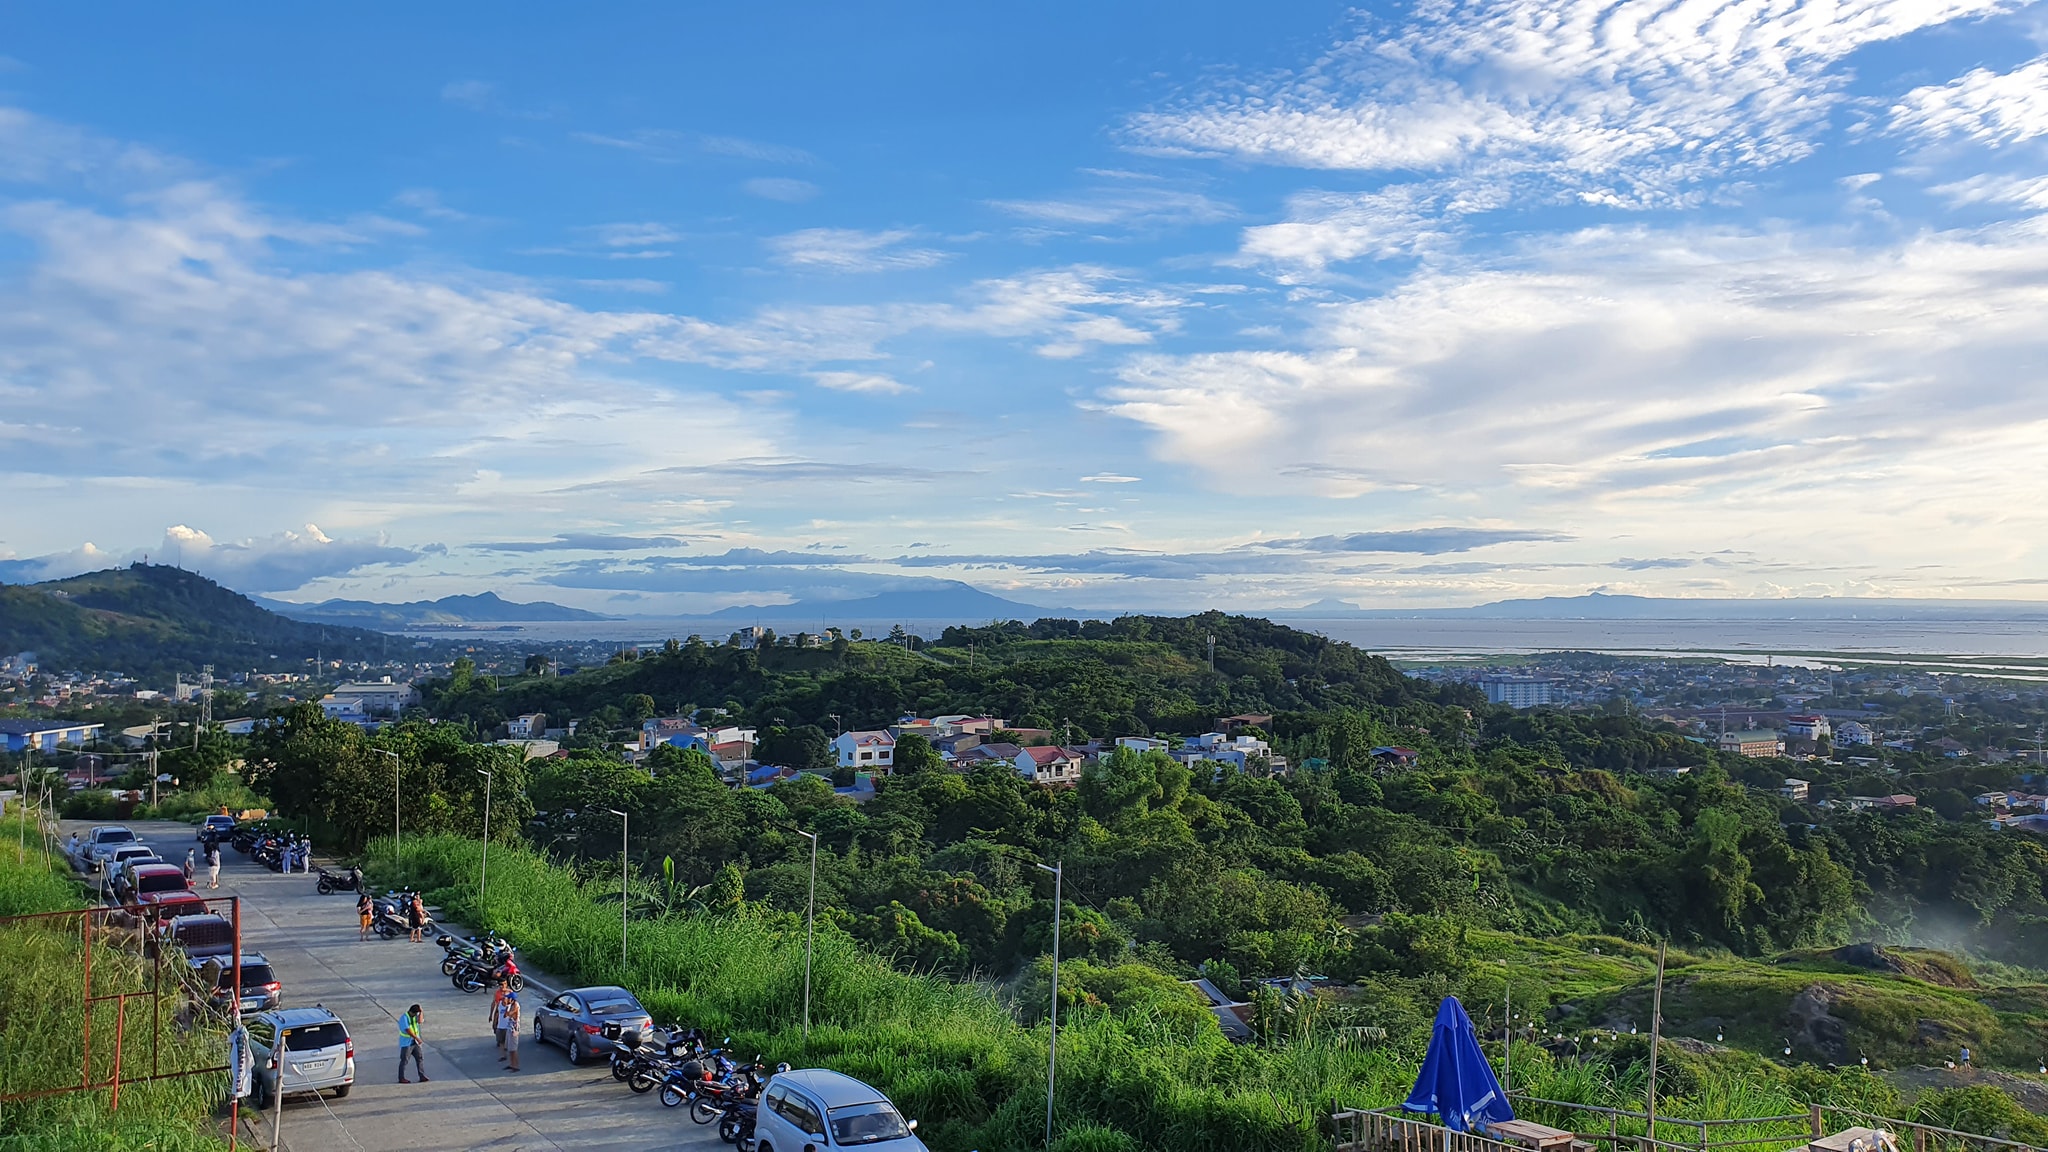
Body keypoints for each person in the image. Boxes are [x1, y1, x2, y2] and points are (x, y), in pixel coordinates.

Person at [398, 1004, 428, 1083]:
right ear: (411, 1012)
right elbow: (408, 1030)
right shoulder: (404, 1018)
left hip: (415, 1043)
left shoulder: (415, 1016)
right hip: (407, 1043)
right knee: (404, 1060)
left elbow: (420, 1021)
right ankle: (401, 1078)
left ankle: (422, 1076)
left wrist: (421, 1012)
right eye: (415, 1014)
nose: (416, 1015)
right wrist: (417, 1038)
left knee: (420, 1058)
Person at [500, 990, 521, 1072]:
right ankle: (511, 1064)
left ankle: (516, 1066)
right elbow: (505, 1015)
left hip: (514, 1029)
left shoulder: (516, 1005)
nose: (507, 1000)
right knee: (510, 1049)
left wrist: (507, 1009)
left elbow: (509, 1014)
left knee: (514, 1049)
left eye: (508, 998)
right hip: (509, 1027)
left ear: (512, 999)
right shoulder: (509, 1005)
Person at [489, 982, 508, 1060]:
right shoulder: (497, 993)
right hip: (498, 1012)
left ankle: (505, 1043)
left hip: (507, 1013)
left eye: (503, 984)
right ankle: (499, 1040)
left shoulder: (509, 992)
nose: (502, 986)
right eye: (500, 985)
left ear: (506, 985)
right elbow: (494, 1004)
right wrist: (491, 1015)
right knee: (495, 1027)